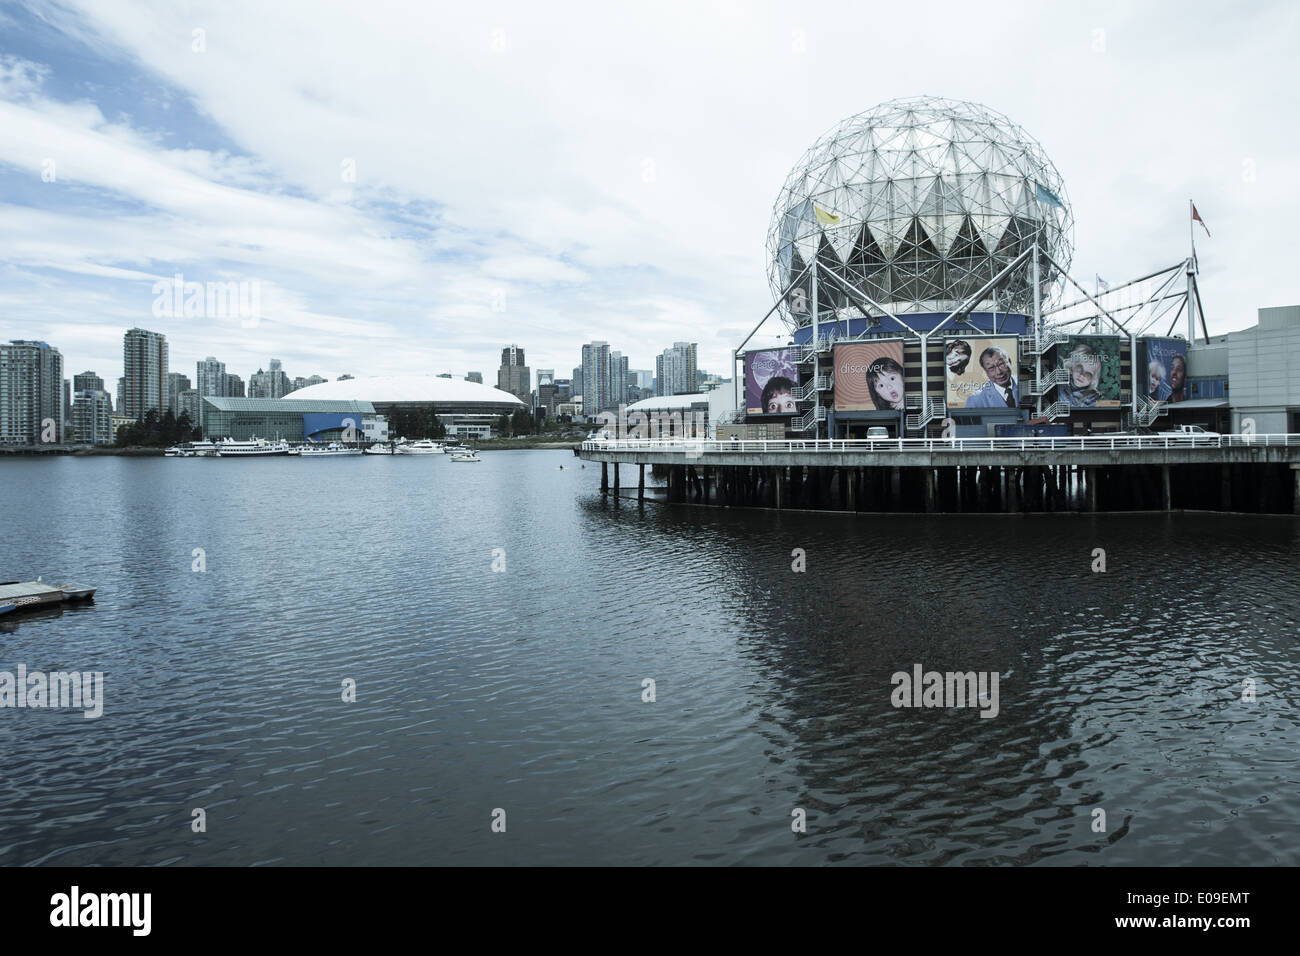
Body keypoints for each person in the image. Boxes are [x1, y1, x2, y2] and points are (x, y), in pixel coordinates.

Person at [1060, 343, 1102, 407]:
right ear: (1072, 366)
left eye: (1088, 374)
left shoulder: (1094, 399)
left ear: (1093, 379)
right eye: (1079, 368)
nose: (1082, 375)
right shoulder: (1059, 382)